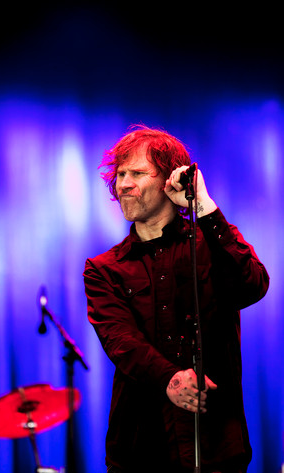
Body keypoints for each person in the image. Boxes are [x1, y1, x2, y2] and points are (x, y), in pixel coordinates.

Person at [83, 125, 269, 473]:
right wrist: (170, 378)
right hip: (140, 445)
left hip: (215, 442)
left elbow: (253, 286)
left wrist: (204, 207)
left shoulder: (212, 243)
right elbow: (121, 341)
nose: (123, 183)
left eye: (137, 173)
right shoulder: (104, 268)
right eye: (120, 174)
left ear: (170, 180)